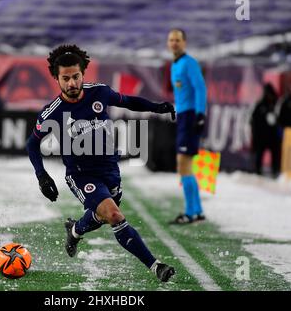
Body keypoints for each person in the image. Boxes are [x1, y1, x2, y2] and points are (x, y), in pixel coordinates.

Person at [26, 44, 177, 282]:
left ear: (83, 73)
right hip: (81, 174)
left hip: (110, 169)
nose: (72, 83)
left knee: (102, 216)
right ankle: (156, 266)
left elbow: (128, 101)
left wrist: (157, 107)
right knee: (114, 215)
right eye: (65, 78)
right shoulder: (52, 113)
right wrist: (42, 176)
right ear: (56, 78)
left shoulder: (100, 93)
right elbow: (31, 145)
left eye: (76, 76)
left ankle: (75, 230)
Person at [166, 29, 207, 224]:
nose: (174, 43)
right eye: (171, 40)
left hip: (191, 116)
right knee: (185, 165)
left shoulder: (189, 63)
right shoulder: (175, 64)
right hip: (183, 115)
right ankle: (196, 210)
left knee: (183, 163)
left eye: (178, 40)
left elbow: (200, 87)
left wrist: (200, 114)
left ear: (185, 43)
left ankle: (190, 212)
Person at [250, 83, 281, 177]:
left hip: (273, 136)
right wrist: (255, 134)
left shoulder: (276, 104)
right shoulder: (260, 105)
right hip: (261, 136)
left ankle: (275, 171)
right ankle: (257, 171)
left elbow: (280, 119)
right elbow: (253, 120)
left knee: (275, 154)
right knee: (259, 154)